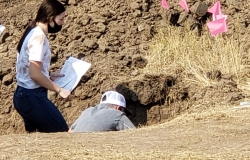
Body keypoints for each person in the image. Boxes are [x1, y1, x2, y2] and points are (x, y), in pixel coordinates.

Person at [13, 0, 70, 133]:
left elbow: (28, 68)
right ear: (50, 18)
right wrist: (59, 90)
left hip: (22, 95)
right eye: (61, 19)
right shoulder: (39, 37)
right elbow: (34, 74)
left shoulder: (32, 31)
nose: (63, 22)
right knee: (63, 135)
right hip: (32, 96)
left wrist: (48, 75)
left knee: (36, 142)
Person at [69, 91, 136, 133]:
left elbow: (70, 131)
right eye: (123, 110)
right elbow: (134, 134)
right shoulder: (118, 114)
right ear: (118, 108)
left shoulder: (87, 111)